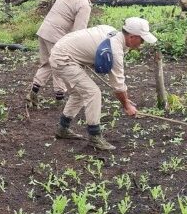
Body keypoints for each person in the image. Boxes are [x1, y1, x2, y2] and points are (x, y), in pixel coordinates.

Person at [50, 17, 157, 151]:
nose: (141, 44)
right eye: (141, 40)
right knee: (93, 93)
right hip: (63, 58)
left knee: (79, 94)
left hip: (64, 51)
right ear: (131, 37)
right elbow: (118, 86)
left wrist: (125, 100)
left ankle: (62, 129)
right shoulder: (115, 50)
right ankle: (94, 137)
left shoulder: (112, 32)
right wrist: (127, 106)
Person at [26, 0, 108, 107]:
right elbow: (79, 33)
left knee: (47, 64)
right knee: (60, 64)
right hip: (56, 35)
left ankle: (33, 93)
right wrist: (81, 55)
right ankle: (59, 99)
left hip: (44, 31)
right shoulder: (84, 3)